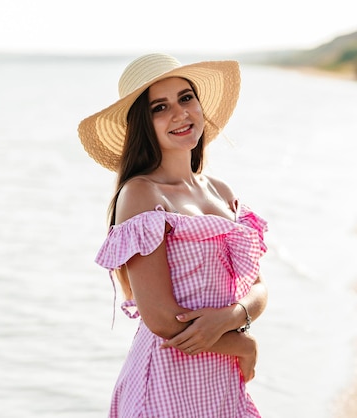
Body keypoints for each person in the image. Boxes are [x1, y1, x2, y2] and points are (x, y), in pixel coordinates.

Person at [77, 53, 269, 418]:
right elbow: (164, 320)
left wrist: (233, 322)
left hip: (220, 379)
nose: (180, 114)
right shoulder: (141, 193)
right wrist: (242, 343)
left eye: (185, 98)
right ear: (143, 125)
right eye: (160, 107)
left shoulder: (222, 190)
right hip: (166, 380)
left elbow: (258, 288)